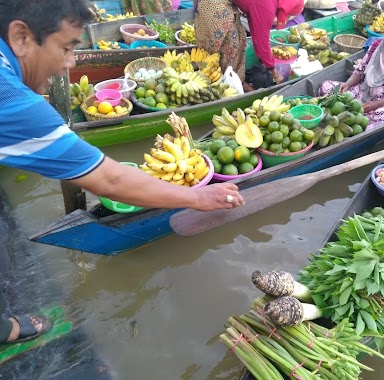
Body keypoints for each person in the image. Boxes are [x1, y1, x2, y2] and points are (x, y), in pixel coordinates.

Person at [0, 0, 244, 344]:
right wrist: (197, 196)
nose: (70, 63)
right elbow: (109, 179)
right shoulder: (11, 99)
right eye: (67, 48)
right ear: (21, 36)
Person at [318, 6, 384, 128]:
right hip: (363, 90)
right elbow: (360, 70)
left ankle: (357, 123)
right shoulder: (377, 44)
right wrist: (347, 84)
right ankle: (350, 116)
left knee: (382, 116)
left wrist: (377, 104)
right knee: (326, 86)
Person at [194, 0, 304, 91]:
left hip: (228, 2)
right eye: (289, 15)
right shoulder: (267, 8)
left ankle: (238, 80)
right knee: (226, 43)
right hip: (213, 3)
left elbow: (256, 33)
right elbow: (263, 43)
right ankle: (213, 81)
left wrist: (264, 57)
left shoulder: (270, 4)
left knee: (241, 38)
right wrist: (274, 72)